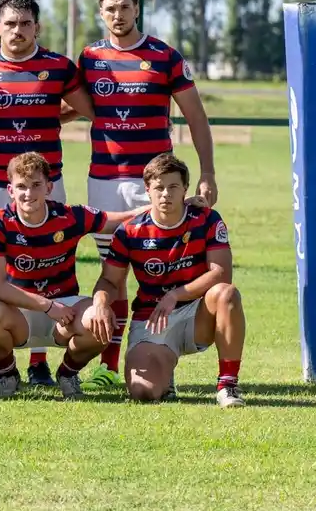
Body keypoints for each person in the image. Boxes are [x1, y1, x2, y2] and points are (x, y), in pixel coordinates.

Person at [74, 0, 219, 388]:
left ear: (136, 9)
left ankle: (161, 349)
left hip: (153, 183)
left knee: (158, 271)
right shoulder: (90, 57)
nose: (117, 15)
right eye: (109, 9)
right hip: (104, 179)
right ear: (100, 14)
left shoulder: (164, 56)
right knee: (113, 273)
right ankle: (108, 365)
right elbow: (74, 104)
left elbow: (196, 117)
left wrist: (207, 172)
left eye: (124, 7)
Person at [0, 0, 96, 386]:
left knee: (48, 262)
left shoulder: (57, 66)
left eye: (25, 23)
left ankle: (39, 359)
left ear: (37, 27)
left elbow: (89, 109)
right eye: (10, 23)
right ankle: (1, 360)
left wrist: (52, 114)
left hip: (46, 184)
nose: (18, 30)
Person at [0, 151, 151, 400]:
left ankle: (68, 373)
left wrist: (171, 203)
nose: (29, 193)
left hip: (65, 314)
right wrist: (47, 306)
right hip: (18, 313)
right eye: (21, 186)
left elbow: (119, 219)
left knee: (100, 318)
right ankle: (8, 373)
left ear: (49, 187)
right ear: (10, 190)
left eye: (36, 185)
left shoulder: (69, 216)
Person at [88, 153, 245, 407]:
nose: (165, 194)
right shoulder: (130, 231)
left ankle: (227, 384)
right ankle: (164, 374)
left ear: (185, 188)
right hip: (152, 318)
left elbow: (221, 273)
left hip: (197, 314)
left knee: (226, 293)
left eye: (173, 187)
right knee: (143, 392)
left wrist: (176, 295)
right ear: (147, 189)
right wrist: (100, 302)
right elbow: (109, 280)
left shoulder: (206, 219)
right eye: (159, 187)